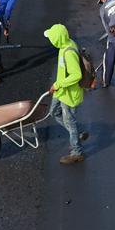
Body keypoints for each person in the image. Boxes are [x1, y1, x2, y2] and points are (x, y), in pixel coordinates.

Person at [44, 23, 88, 165]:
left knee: (70, 121)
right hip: (61, 92)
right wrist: (57, 86)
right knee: (54, 113)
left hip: (69, 95)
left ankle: (77, 152)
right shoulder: (65, 44)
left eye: (51, 38)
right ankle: (76, 133)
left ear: (57, 39)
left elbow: (76, 75)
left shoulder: (68, 52)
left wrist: (58, 84)